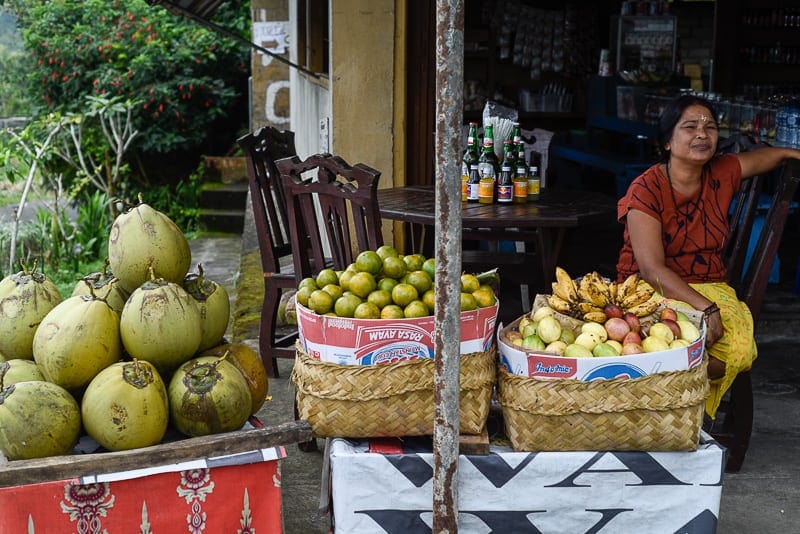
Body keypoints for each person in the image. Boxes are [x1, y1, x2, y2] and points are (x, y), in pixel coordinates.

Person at [616, 94, 800, 419]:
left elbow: (767, 157)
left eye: (710, 127)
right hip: (651, 289)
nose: (702, 134)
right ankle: (672, 405)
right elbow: (650, 268)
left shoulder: (722, 171)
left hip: (711, 283)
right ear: (668, 142)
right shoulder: (645, 190)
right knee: (661, 344)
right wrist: (705, 307)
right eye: (690, 127)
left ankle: (671, 396)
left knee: (741, 350)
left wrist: (791, 152)